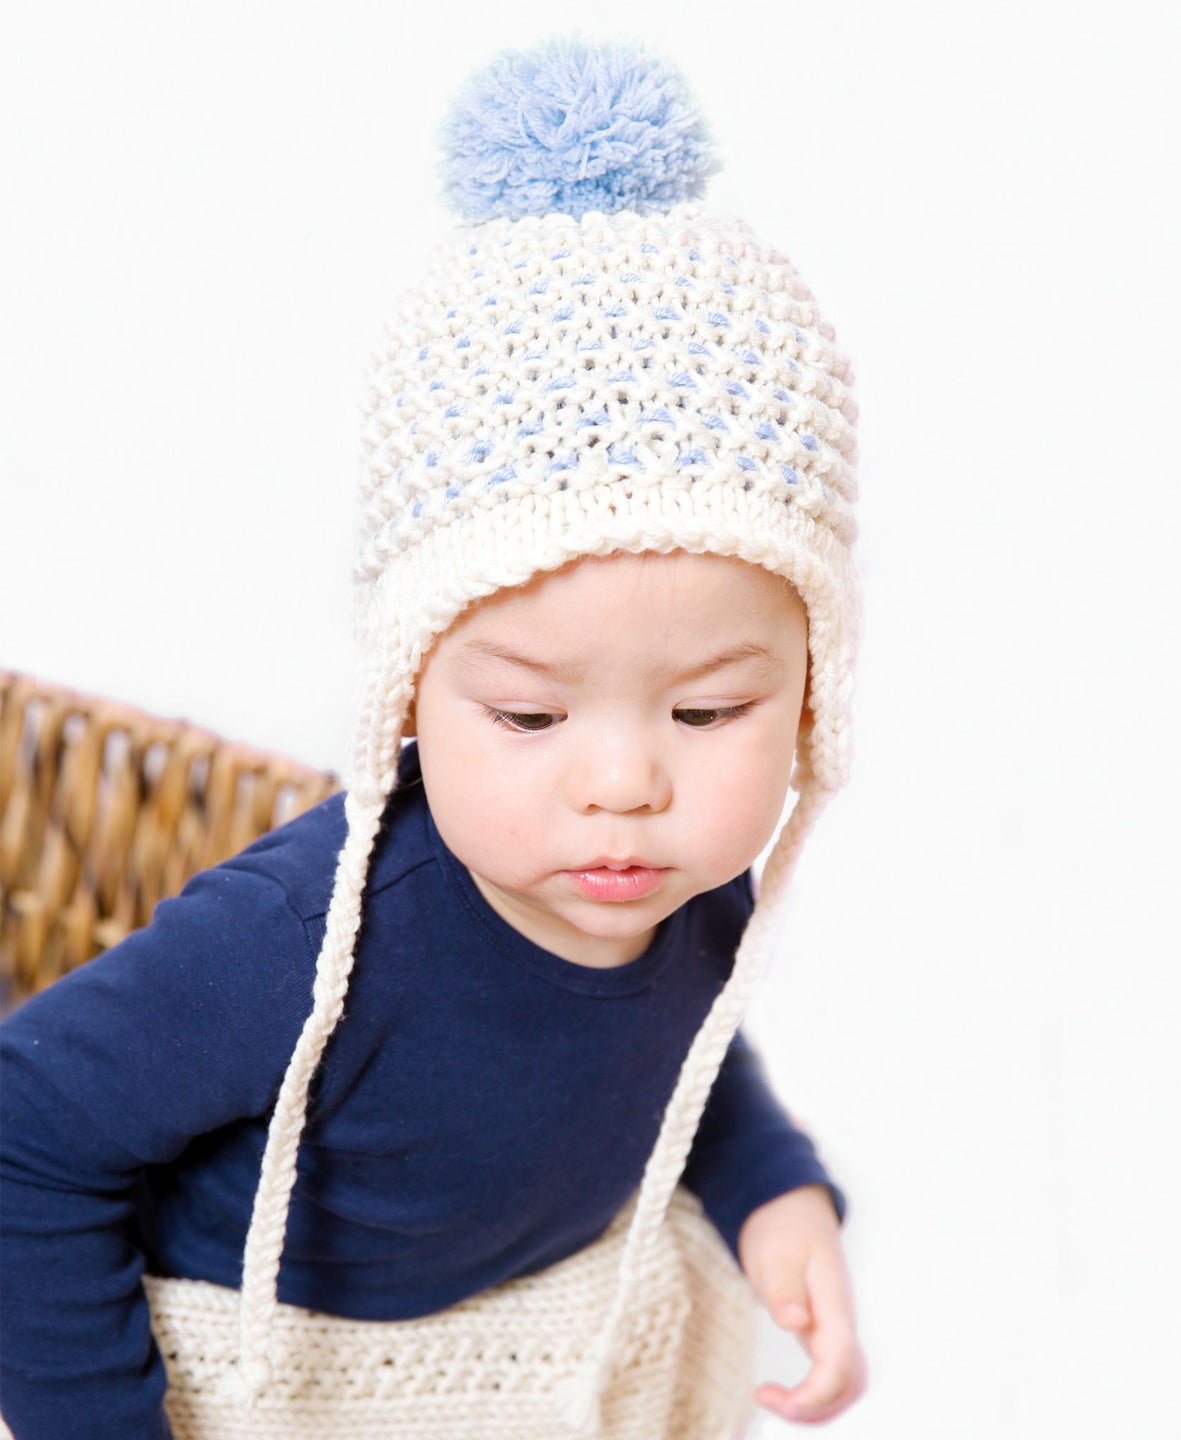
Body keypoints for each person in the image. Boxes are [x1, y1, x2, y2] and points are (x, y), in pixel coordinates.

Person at [0, 37, 864, 1439]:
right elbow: (25, 1127)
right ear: (409, 691)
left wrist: (775, 1188)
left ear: (810, 685)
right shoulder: (305, 934)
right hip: (273, 1378)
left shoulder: (682, 884)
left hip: (519, 1369)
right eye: (528, 714)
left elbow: (688, 1049)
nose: (626, 783)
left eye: (710, 711)